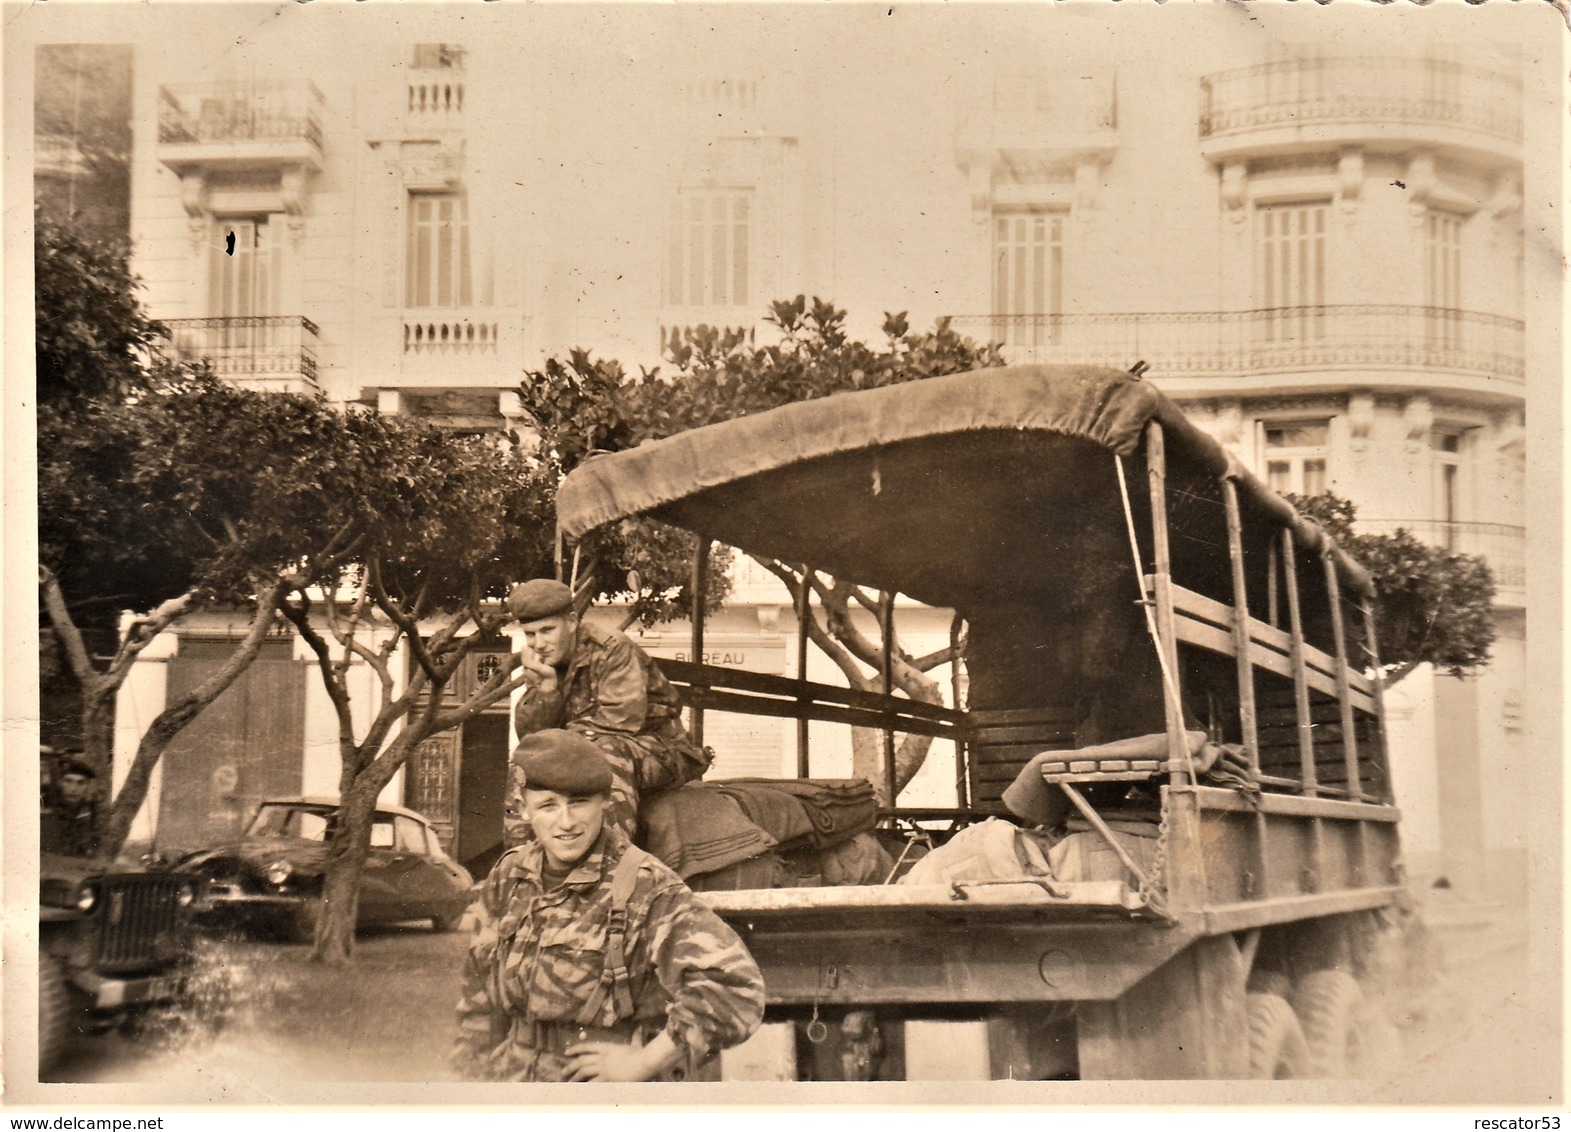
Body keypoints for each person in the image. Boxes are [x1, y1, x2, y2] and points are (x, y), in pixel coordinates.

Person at [455, 730, 765, 1082]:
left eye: (579, 802)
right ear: (524, 809)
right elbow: (477, 998)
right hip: (512, 1080)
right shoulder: (510, 875)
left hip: (599, 1091)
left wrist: (643, 1063)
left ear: (605, 801)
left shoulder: (643, 884)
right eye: (548, 806)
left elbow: (737, 989)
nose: (566, 822)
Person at [506, 579, 708, 840]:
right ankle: (519, 861)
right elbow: (532, 740)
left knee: (605, 752)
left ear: (570, 621)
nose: (539, 643)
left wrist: (558, 747)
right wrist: (546, 691)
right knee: (525, 762)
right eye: (530, 634)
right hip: (589, 746)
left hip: (660, 749)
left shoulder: (612, 647)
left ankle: (611, 861)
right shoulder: (544, 662)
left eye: (547, 630)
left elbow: (619, 722)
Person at [42, 751, 101, 858]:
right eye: (68, 781)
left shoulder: (92, 813)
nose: (73, 789)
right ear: (60, 782)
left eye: (80, 783)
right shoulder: (45, 807)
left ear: (88, 786)